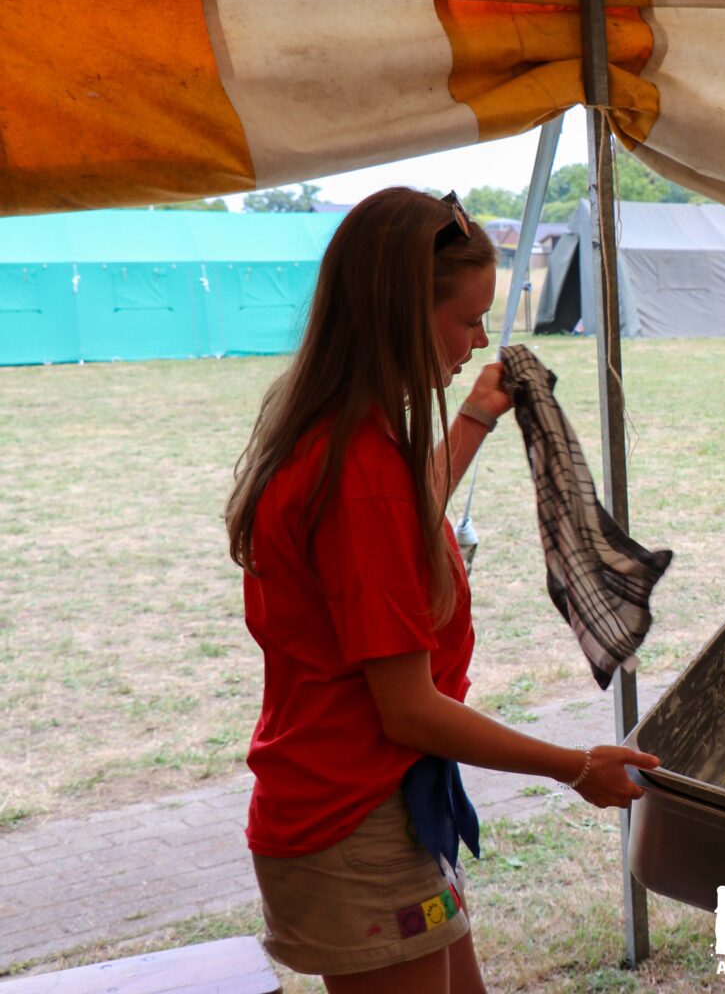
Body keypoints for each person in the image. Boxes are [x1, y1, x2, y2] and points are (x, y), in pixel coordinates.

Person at [224, 187, 658, 993]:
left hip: (369, 801)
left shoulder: (336, 432)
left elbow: (396, 526)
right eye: (467, 319)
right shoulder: (359, 472)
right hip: (353, 819)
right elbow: (409, 709)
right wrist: (574, 765)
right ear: (399, 314)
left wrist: (475, 417)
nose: (480, 339)